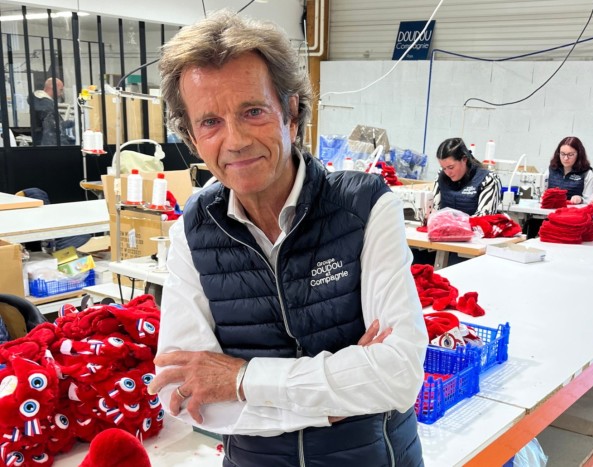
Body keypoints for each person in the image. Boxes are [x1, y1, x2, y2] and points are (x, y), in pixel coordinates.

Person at [148, 10, 427, 467]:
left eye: (253, 112)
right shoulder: (193, 232)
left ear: (291, 112)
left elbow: (398, 376)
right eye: (210, 122)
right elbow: (186, 395)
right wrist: (338, 400)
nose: (234, 140)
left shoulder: (365, 207)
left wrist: (240, 380)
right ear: (192, 136)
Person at [433, 137, 502, 216]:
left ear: (464, 159)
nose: (447, 173)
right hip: (444, 227)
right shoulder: (441, 176)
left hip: (474, 228)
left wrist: (454, 223)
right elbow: (434, 209)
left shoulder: (488, 179)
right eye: (443, 168)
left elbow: (484, 218)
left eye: (451, 167)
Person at [545, 136, 593, 204]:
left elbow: (590, 200)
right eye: (562, 154)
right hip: (550, 211)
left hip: (574, 212)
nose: (565, 158)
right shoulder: (551, 169)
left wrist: (581, 199)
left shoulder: (587, 173)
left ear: (579, 155)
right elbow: (542, 193)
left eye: (570, 154)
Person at [32, 77, 71, 146]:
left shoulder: (39, 102)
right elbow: (53, 129)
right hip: (48, 146)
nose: (61, 94)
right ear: (53, 87)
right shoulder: (46, 105)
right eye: (60, 90)